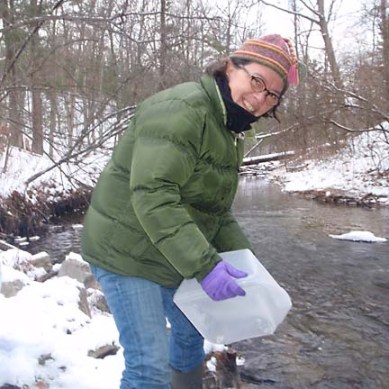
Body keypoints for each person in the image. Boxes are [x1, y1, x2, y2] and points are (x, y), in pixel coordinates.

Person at [81, 34, 304, 389]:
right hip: (125, 251)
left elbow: (214, 211)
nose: (261, 98)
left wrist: (248, 263)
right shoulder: (183, 109)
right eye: (257, 81)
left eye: (273, 94)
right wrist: (205, 266)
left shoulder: (230, 128)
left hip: (170, 250)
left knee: (189, 335)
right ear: (231, 67)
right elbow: (153, 194)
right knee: (148, 366)